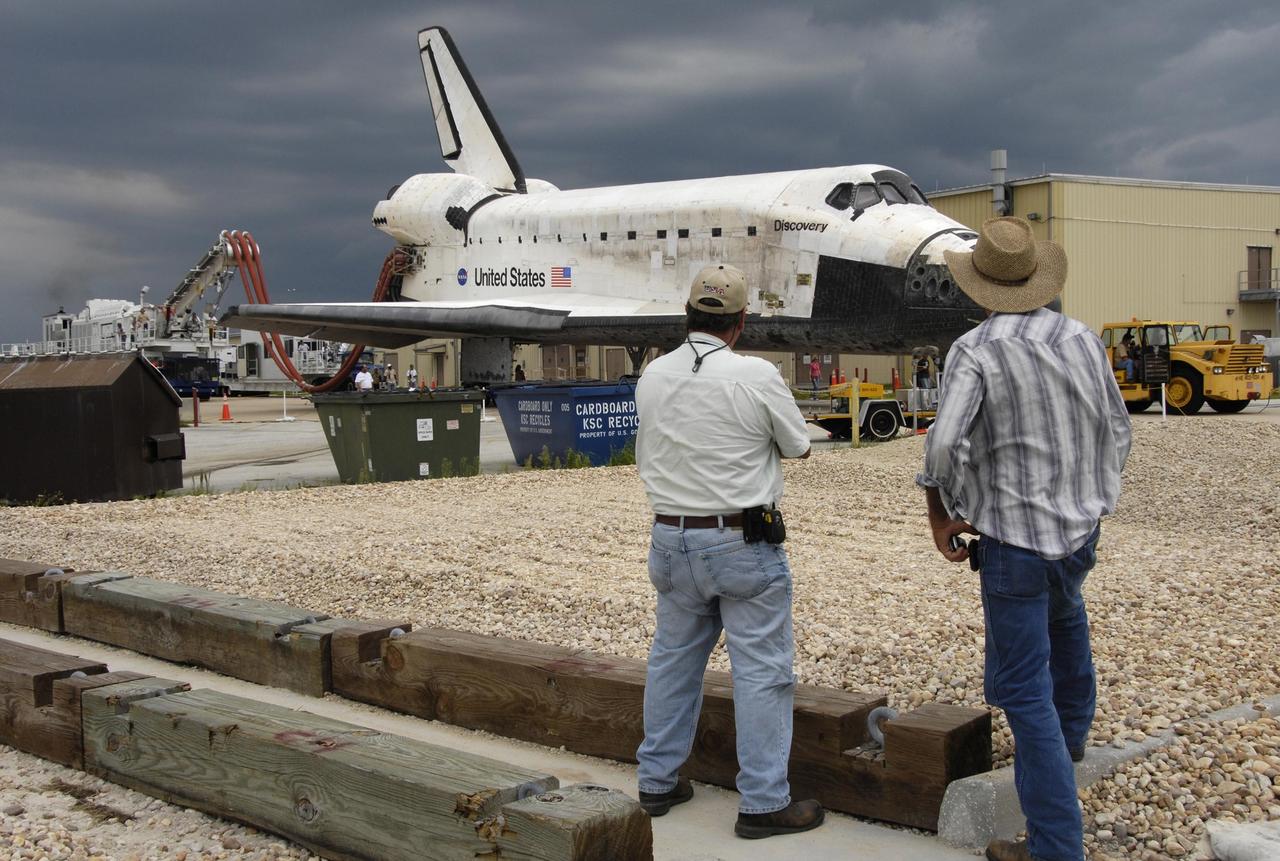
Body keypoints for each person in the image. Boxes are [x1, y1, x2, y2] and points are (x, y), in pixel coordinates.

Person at [918, 217, 1131, 861]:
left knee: (1022, 689)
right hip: (1077, 531)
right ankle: (1067, 758)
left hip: (1011, 541)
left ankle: (1056, 845)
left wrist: (940, 514)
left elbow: (945, 445)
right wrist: (1091, 502)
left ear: (979, 286)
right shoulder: (1082, 340)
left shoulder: (976, 349)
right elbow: (1117, 431)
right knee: (1068, 631)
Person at [634, 264, 823, 839]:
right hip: (740, 540)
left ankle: (657, 781)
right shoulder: (755, 373)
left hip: (670, 538)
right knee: (762, 672)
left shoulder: (653, 374)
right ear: (740, 322)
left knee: (673, 660)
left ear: (687, 315)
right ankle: (763, 802)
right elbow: (797, 446)